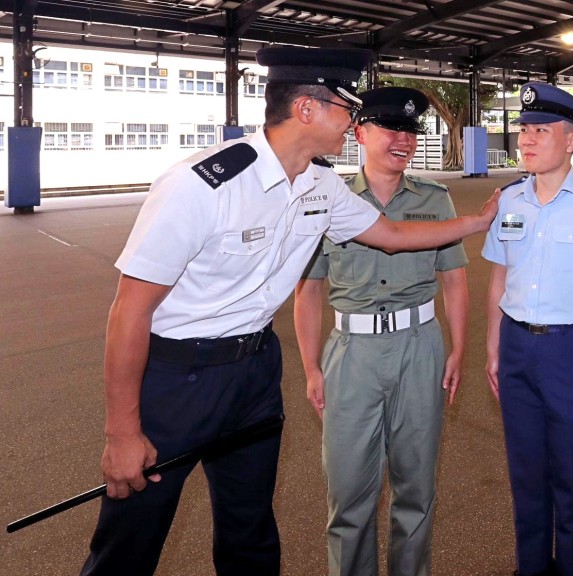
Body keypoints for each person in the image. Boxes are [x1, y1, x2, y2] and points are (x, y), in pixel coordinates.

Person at [81, 47, 497, 576]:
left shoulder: (321, 183)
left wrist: (475, 223)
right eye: (347, 110)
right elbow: (129, 312)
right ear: (307, 109)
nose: (353, 123)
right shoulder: (202, 184)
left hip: (255, 370)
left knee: (250, 528)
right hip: (178, 375)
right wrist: (121, 432)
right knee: (133, 534)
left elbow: (391, 235)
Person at [292, 86, 469, 576]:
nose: (403, 139)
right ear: (360, 132)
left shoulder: (435, 199)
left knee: (416, 489)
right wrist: (311, 366)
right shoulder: (328, 198)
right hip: (352, 354)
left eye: (411, 130)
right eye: (391, 127)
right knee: (349, 493)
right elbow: (307, 291)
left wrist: (457, 350)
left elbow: (453, 280)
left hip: (421, 348)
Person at [482, 82, 573, 576]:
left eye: (540, 130)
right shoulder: (508, 200)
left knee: (570, 476)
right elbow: (499, 277)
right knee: (525, 474)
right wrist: (494, 345)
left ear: (571, 141)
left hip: (570, 350)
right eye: (523, 129)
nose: (526, 139)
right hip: (517, 344)